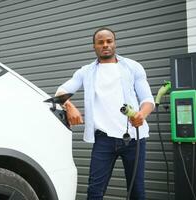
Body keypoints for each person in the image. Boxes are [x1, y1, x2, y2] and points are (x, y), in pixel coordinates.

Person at [56, 27, 154, 200]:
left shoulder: (133, 67)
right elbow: (61, 91)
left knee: (137, 191)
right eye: (100, 42)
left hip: (134, 139)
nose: (105, 45)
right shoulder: (85, 72)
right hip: (104, 140)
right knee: (94, 191)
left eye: (109, 41)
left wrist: (141, 115)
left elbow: (148, 100)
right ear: (94, 46)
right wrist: (69, 105)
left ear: (114, 43)